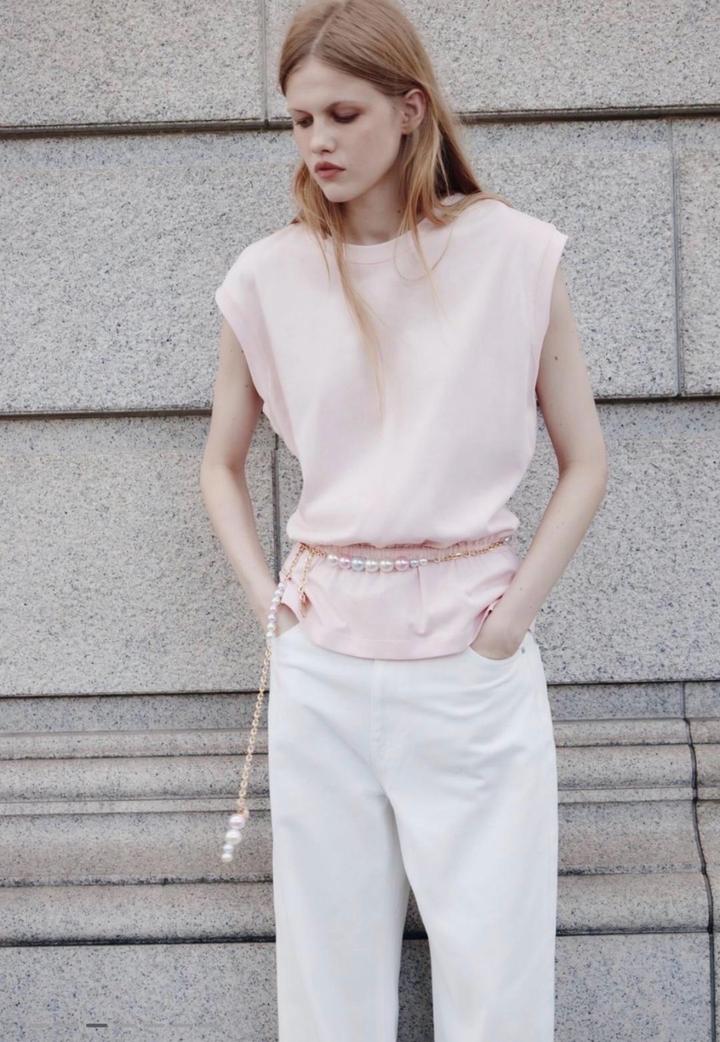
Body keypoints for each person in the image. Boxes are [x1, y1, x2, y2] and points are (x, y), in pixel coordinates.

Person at [200, 0, 608, 1037]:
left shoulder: (514, 253)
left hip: (470, 659)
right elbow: (220, 465)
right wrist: (270, 611)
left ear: (410, 109)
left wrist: (508, 623)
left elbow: (588, 462)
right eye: (301, 120)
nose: (319, 142)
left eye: (343, 114)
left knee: (497, 976)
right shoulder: (267, 275)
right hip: (322, 662)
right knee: (326, 985)